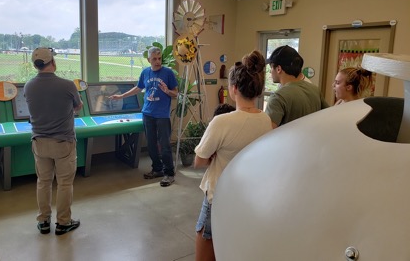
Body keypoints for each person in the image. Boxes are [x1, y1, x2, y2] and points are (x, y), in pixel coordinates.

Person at [193, 50, 273, 261]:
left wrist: (216, 153)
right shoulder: (266, 120)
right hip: (248, 197)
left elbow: (199, 161)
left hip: (218, 196)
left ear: (234, 88)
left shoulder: (222, 122)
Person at [24, 47, 83, 235]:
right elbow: (78, 106)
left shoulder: (28, 86)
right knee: (65, 183)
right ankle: (63, 223)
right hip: (63, 142)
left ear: (36, 65)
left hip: (39, 142)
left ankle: (43, 221)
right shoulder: (67, 85)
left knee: (43, 181)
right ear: (53, 62)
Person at [109, 46, 178, 187]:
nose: (158, 61)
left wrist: (167, 91)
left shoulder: (168, 73)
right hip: (147, 113)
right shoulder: (145, 72)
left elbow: (176, 93)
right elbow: (139, 88)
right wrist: (121, 96)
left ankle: (169, 173)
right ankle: (157, 169)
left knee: (164, 145)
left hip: (162, 115)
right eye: (154, 59)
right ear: (149, 59)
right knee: (151, 145)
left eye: (159, 59)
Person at [266, 45, 329, 128]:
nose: (270, 71)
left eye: (271, 67)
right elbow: (328, 116)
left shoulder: (278, 97)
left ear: (278, 69)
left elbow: (266, 133)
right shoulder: (314, 90)